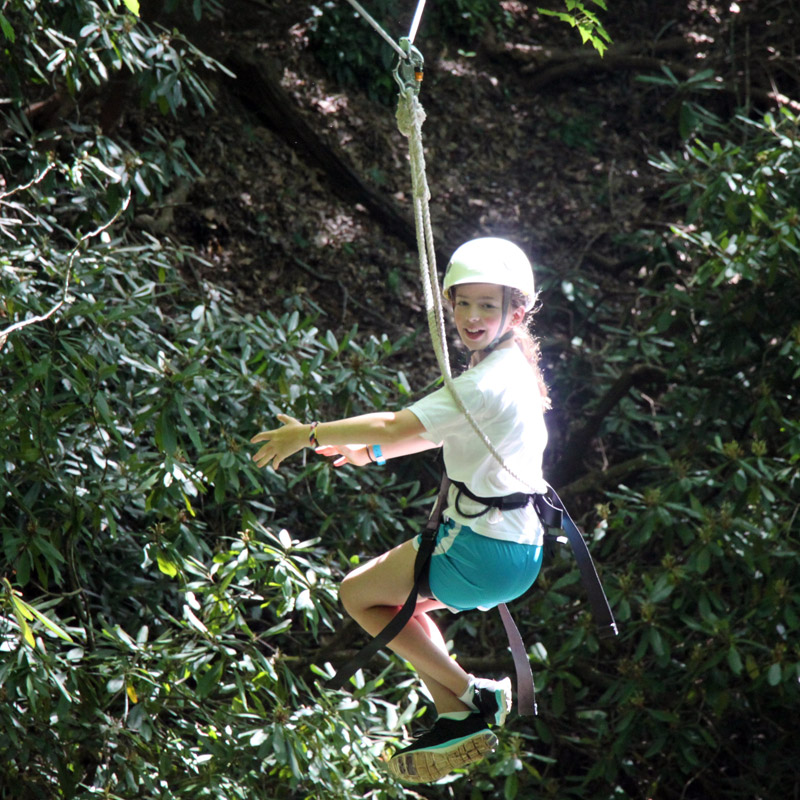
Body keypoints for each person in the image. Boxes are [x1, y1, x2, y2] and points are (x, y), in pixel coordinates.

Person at [251, 237, 550, 783]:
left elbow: (396, 423)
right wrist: (371, 452)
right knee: (394, 607)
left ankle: (472, 696)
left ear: (517, 310)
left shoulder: (484, 383)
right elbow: (431, 434)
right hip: (517, 549)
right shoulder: (510, 368)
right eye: (463, 302)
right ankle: (457, 712)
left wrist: (309, 432)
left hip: (483, 547)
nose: (471, 317)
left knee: (359, 594)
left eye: (488, 304)